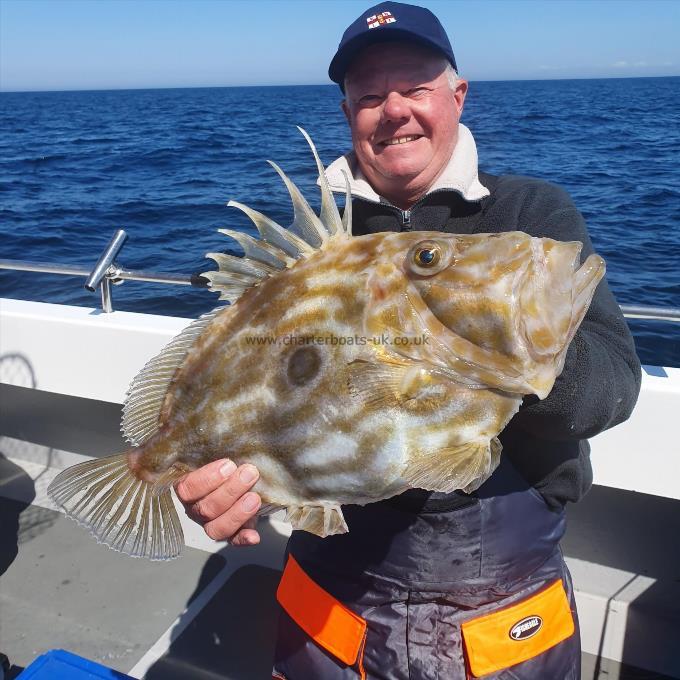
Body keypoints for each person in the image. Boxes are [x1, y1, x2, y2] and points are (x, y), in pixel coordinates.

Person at [175, 2, 642, 678]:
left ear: (457, 96)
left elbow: (612, 389)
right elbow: (252, 393)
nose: (393, 109)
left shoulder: (530, 216)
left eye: (416, 87)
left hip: (502, 615)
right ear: (348, 113)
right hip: (328, 605)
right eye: (369, 95)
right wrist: (213, 474)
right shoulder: (313, 254)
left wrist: (499, 348)